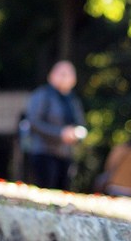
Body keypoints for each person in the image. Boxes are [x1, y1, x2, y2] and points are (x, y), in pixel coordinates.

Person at [22, 61, 87, 190]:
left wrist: (76, 134)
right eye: (61, 74)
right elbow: (33, 122)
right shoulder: (42, 95)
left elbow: (81, 125)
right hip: (43, 153)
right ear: (51, 76)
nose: (65, 77)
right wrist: (60, 133)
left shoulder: (73, 101)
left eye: (68, 74)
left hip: (65, 155)